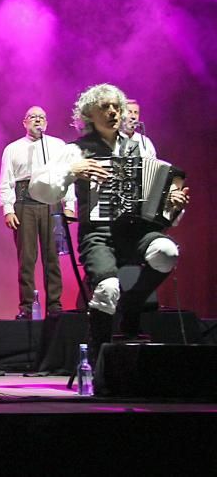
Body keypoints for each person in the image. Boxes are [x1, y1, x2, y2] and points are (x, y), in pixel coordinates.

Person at [29, 83, 189, 367]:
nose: (114, 112)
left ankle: (132, 306)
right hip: (98, 233)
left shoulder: (136, 149)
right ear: (89, 114)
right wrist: (71, 170)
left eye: (117, 106)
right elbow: (39, 190)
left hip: (136, 230)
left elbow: (157, 199)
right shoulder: (76, 150)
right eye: (105, 107)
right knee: (107, 289)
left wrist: (172, 202)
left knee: (167, 252)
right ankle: (97, 359)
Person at [0, 106, 75, 319]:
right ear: (24, 122)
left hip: (51, 203)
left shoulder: (58, 146)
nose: (37, 120)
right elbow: (6, 182)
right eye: (33, 117)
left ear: (47, 123)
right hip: (25, 203)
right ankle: (26, 307)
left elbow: (68, 176)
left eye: (42, 117)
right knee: (27, 257)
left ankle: (55, 306)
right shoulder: (13, 148)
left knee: (52, 256)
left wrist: (69, 206)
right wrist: (8, 209)